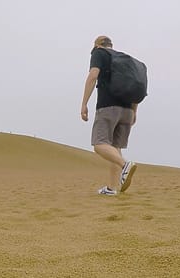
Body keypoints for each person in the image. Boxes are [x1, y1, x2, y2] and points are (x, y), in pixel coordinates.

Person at [81, 35, 138, 195]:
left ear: (97, 45)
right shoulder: (124, 59)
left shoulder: (99, 53)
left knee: (99, 144)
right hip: (127, 109)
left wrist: (84, 103)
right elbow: (135, 85)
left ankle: (125, 165)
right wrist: (134, 111)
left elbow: (93, 76)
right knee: (115, 148)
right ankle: (112, 188)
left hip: (108, 107)